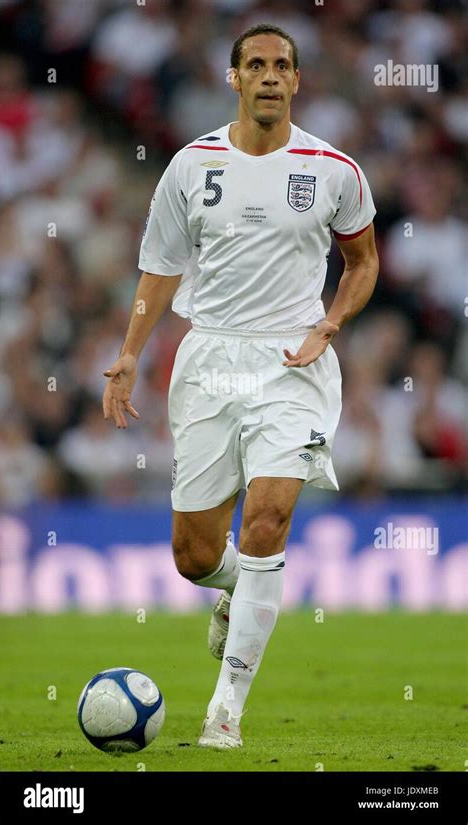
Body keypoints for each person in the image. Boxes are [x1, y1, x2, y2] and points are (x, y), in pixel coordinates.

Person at [102, 23, 379, 749]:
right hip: (211, 359)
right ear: (233, 78)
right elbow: (160, 267)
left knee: (268, 519)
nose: (268, 76)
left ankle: (225, 710)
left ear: (296, 80)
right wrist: (130, 352)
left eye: (280, 65)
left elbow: (363, 261)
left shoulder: (333, 168)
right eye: (253, 64)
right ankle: (236, 591)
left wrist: (333, 323)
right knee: (195, 554)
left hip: (294, 360)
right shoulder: (191, 166)